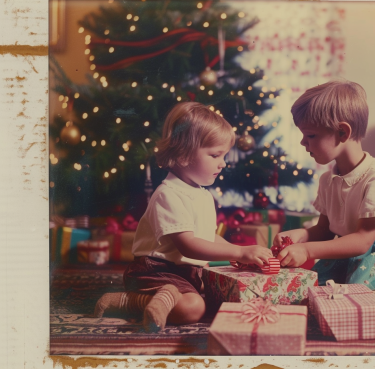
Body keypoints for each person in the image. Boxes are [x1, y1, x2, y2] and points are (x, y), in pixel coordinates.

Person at [94, 102, 273, 331]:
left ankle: (166, 296)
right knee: (193, 309)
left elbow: (206, 237)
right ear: (183, 154)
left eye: (224, 155)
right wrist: (239, 251)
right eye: (215, 155)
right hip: (156, 270)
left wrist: (237, 253)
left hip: (184, 272)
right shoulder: (168, 194)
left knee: (213, 302)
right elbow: (189, 245)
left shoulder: (202, 194)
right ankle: (130, 300)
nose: (223, 163)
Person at [273, 79, 375, 308]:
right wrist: (299, 237)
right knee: (314, 294)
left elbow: (363, 241)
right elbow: (323, 230)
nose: (303, 142)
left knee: (349, 300)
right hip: (344, 254)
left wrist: (307, 249)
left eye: (310, 135)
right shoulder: (327, 180)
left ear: (342, 132)